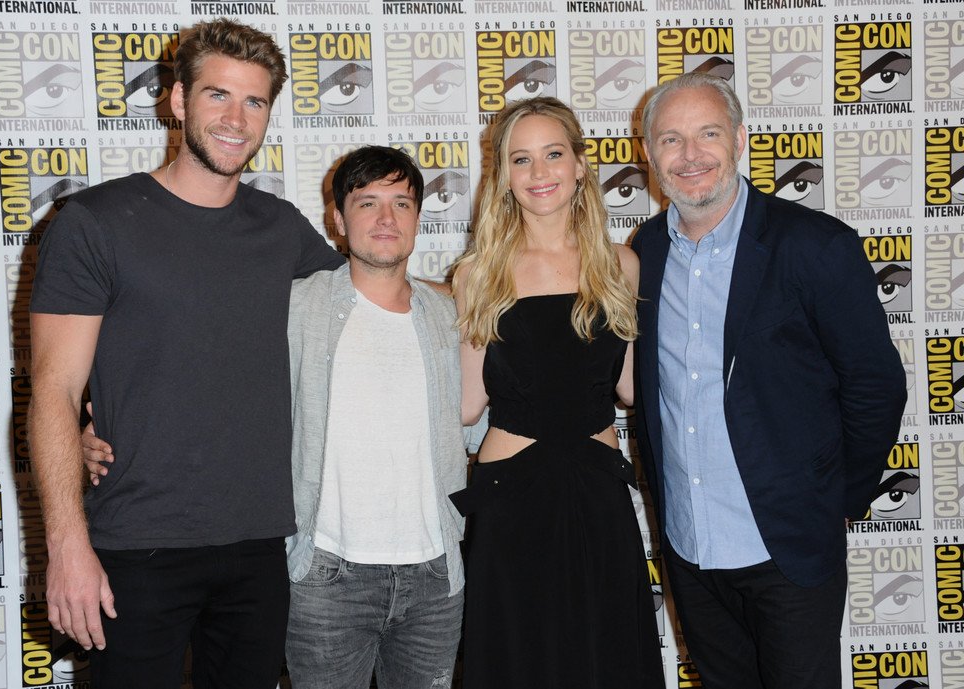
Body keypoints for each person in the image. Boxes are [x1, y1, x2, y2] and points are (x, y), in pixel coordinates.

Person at [27, 18, 344, 689]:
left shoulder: (281, 227)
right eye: (217, 95)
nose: (236, 119)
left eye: (254, 101)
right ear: (177, 100)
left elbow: (376, 296)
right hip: (137, 543)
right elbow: (54, 390)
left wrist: (494, 279)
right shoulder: (94, 222)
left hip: (259, 543)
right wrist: (67, 545)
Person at [631, 72, 906, 689]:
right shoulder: (643, 253)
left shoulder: (814, 245)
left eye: (708, 134)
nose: (691, 155)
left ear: (739, 140)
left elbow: (875, 387)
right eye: (671, 140)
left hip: (787, 547)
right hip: (691, 549)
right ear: (649, 155)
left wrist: (836, 500)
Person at [449, 97, 665, 689]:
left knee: (606, 659)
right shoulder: (477, 274)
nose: (539, 172)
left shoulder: (621, 266)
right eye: (521, 159)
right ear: (503, 175)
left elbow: (628, 387)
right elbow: (467, 404)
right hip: (510, 500)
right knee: (520, 662)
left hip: (597, 496)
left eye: (552, 154)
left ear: (580, 165)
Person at [283, 146, 465, 688]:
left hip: (436, 579)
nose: (387, 218)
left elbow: (484, 421)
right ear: (338, 220)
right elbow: (212, 382)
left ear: (418, 218)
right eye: (367, 203)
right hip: (326, 577)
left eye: (401, 204)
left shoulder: (452, 316)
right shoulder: (294, 307)